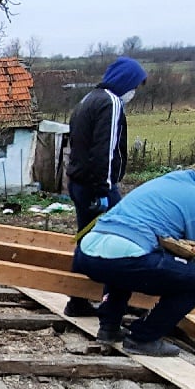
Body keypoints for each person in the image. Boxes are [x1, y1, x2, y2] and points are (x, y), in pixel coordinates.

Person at [70, 157, 195, 357]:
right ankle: (142, 338)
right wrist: (191, 279)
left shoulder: (163, 182)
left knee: (127, 263)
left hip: (86, 253)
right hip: (125, 255)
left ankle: (109, 328)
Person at [63, 56, 149, 316]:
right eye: (135, 85)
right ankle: (114, 303)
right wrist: (103, 189)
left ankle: (77, 300)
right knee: (120, 241)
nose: (135, 92)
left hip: (79, 183)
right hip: (96, 187)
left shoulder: (87, 100)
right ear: (126, 82)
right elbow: (105, 150)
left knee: (88, 242)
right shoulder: (110, 103)